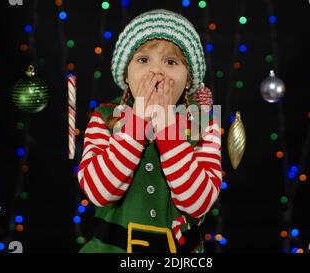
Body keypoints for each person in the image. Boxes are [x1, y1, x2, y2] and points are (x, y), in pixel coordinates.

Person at [77, 9, 222, 253]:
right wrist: (138, 122)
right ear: (126, 72)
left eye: (171, 62)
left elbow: (198, 202)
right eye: (143, 60)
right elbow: (99, 192)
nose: (157, 72)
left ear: (188, 80)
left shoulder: (204, 121)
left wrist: (167, 127)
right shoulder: (104, 116)